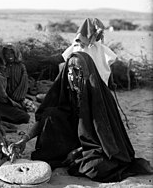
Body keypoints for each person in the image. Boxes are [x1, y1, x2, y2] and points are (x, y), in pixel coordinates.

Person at [9, 51, 152, 182]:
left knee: (96, 167)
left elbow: (106, 139)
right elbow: (43, 120)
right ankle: (69, 157)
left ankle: (73, 158)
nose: (72, 76)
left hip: (95, 146)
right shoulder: (65, 89)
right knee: (51, 114)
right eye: (69, 72)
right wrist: (23, 140)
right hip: (71, 140)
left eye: (77, 71)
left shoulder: (99, 96)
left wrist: (79, 151)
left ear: (87, 72)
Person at [43, 18, 117, 86]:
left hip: (90, 84)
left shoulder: (98, 49)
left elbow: (62, 58)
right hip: (92, 85)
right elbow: (110, 64)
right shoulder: (99, 49)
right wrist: (111, 82)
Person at [0, 42, 30, 124]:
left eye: (12, 53)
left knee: (24, 116)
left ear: (16, 54)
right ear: (3, 55)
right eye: (6, 54)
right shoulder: (1, 67)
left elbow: (23, 84)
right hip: (4, 100)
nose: (9, 55)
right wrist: (4, 97)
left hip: (17, 100)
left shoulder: (21, 67)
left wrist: (16, 98)